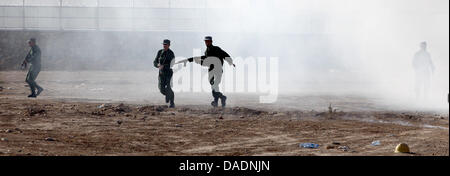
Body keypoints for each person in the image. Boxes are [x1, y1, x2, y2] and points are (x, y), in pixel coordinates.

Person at [180, 36, 235, 107]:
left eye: (208, 41)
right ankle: (218, 100)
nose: (207, 42)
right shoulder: (207, 51)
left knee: (214, 85)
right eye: (206, 41)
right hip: (211, 70)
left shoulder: (216, 49)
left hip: (218, 69)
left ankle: (221, 98)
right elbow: (205, 57)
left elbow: (224, 54)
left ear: (211, 41)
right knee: (214, 86)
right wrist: (191, 59)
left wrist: (230, 62)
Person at [154, 39, 176, 108]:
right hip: (161, 74)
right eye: (164, 44)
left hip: (168, 73)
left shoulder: (171, 53)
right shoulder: (160, 52)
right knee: (161, 89)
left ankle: (172, 102)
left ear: (169, 45)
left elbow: (172, 64)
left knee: (168, 88)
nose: (164, 46)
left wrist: (164, 66)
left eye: (166, 44)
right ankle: (168, 95)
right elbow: (155, 61)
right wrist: (157, 65)